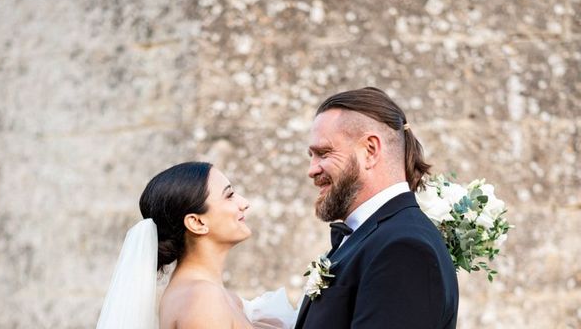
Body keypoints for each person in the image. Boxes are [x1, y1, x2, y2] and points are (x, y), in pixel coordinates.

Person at [295, 87, 459, 329]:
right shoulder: (371, 238)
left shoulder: (404, 249)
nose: (312, 169)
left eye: (324, 153)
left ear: (370, 150)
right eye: (312, 156)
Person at [96, 161, 295, 329]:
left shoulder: (216, 296)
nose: (244, 203)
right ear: (197, 223)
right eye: (229, 195)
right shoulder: (203, 299)